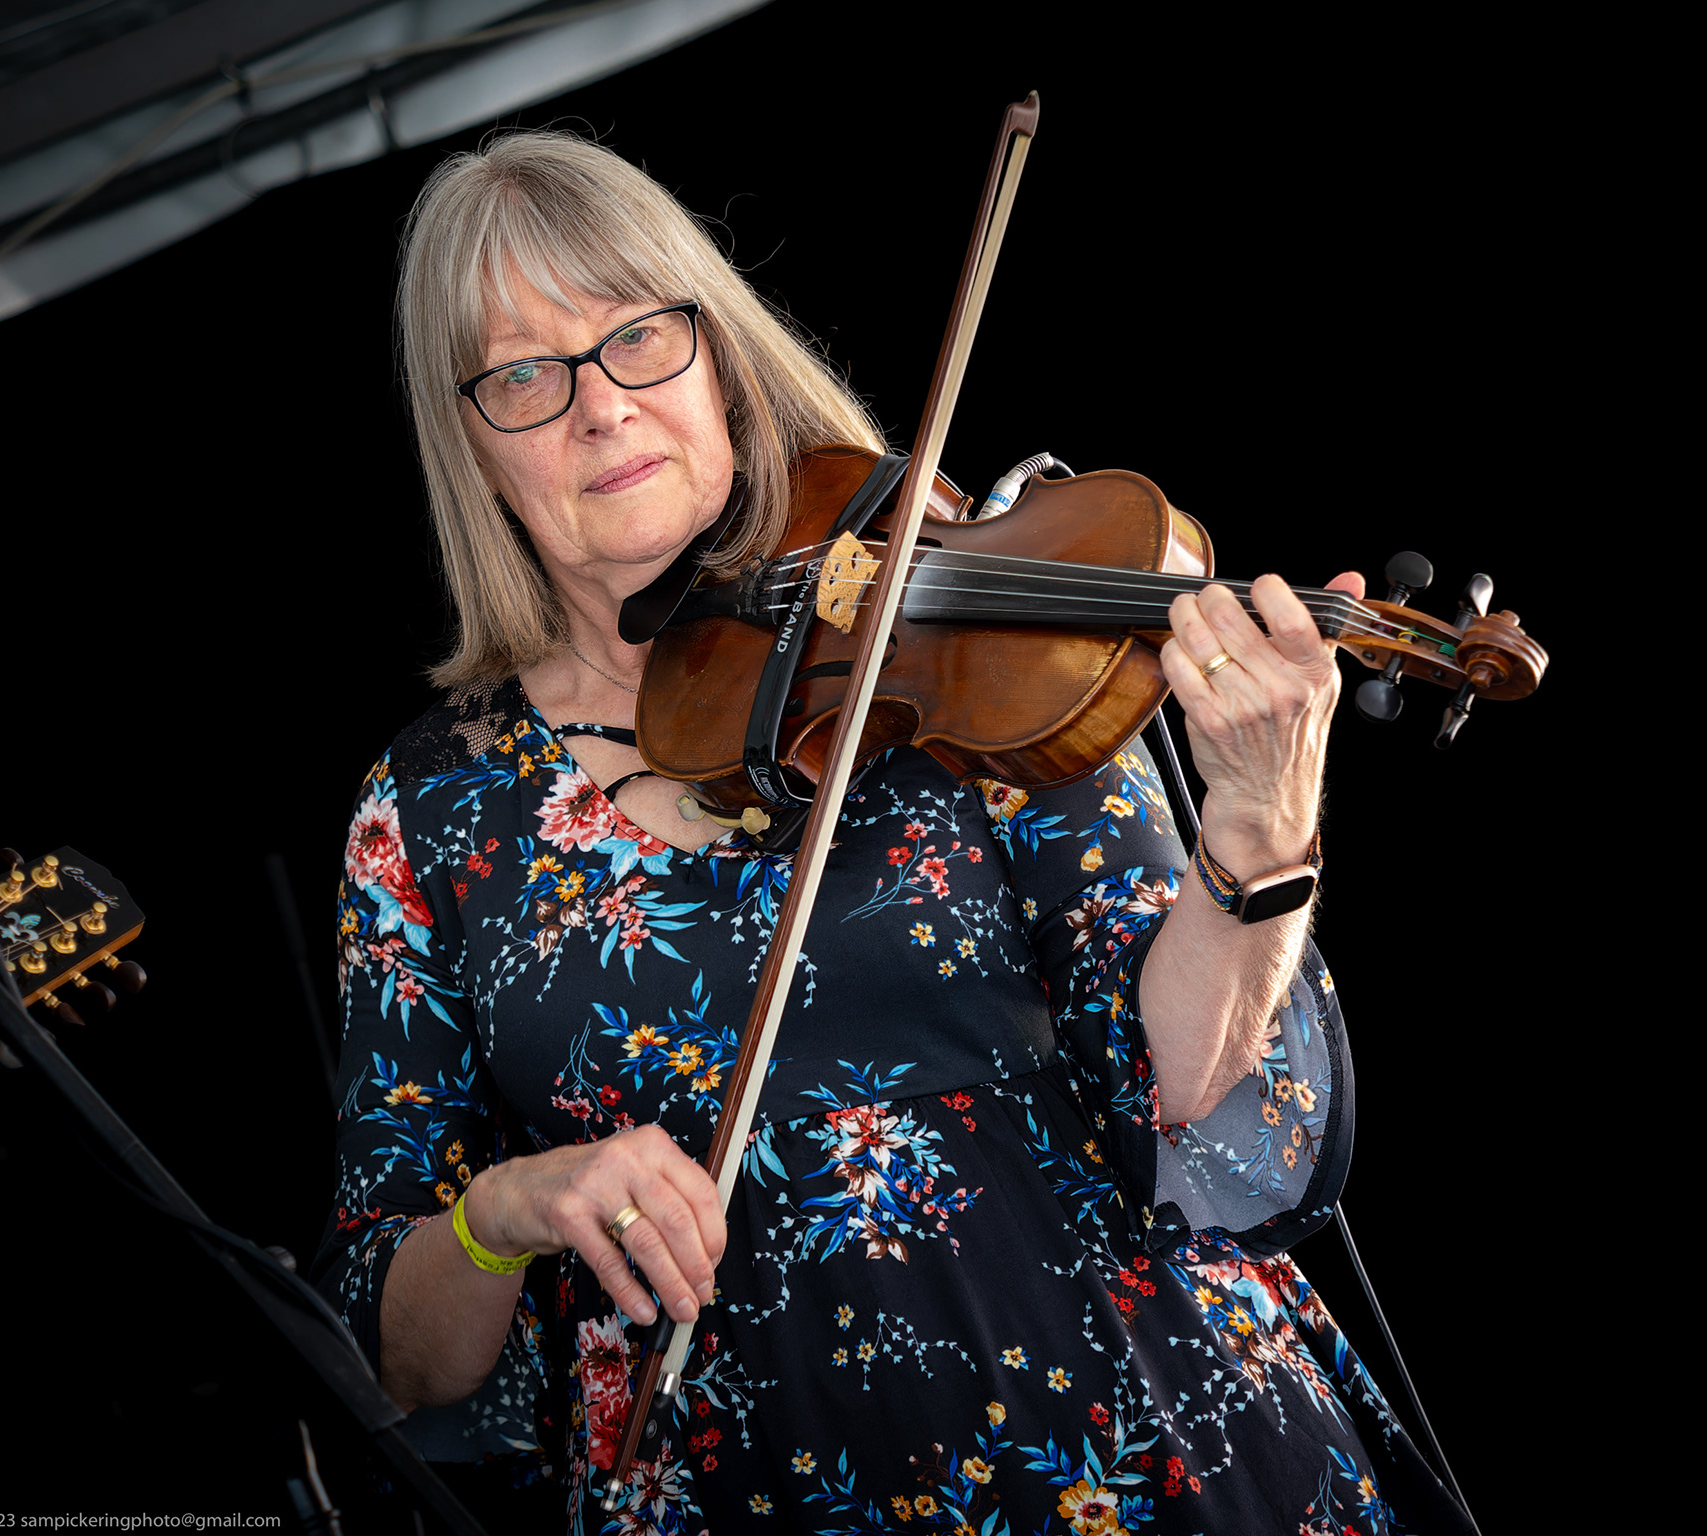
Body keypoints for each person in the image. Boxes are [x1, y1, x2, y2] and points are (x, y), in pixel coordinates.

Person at [311, 130, 1476, 1535]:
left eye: (638, 338)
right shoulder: (431, 810)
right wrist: (508, 1208)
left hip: (1149, 1434)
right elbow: (398, 1351)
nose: (601, 409)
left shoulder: (956, 620)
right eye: (524, 376)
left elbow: (1182, 1084)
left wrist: (1261, 821)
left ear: (718, 354)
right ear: (472, 445)